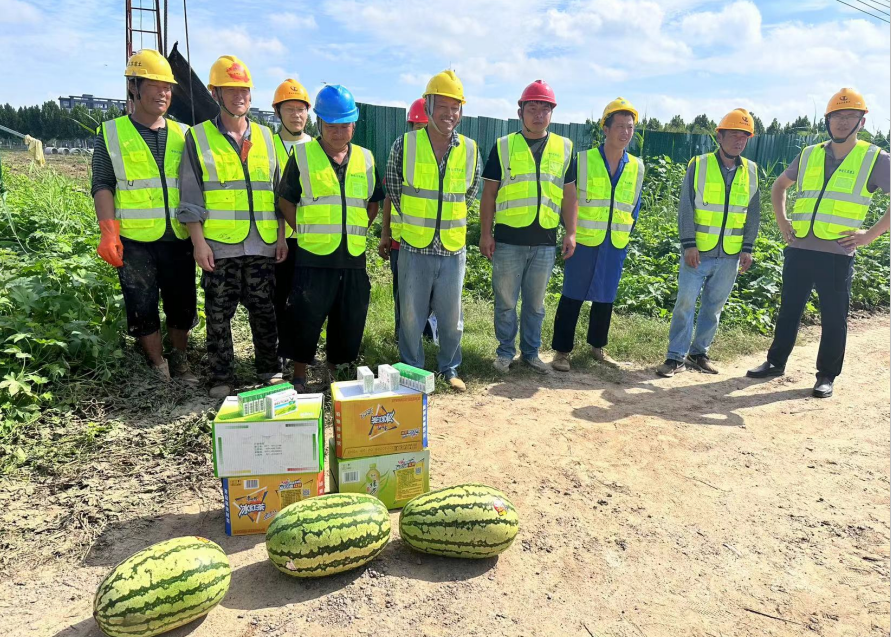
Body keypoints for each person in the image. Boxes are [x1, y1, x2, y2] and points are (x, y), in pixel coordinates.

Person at [748, 89, 890, 398]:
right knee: (789, 310)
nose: (842, 122)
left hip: (837, 254)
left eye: (850, 116)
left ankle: (826, 375)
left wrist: (869, 235)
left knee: (834, 317)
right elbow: (779, 186)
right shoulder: (810, 153)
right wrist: (783, 222)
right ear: (827, 120)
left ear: (862, 122)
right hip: (799, 249)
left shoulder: (874, 158)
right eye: (836, 116)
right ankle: (775, 362)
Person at [177, 55, 288, 398]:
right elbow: (191, 195)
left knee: (264, 311)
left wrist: (281, 237)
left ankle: (269, 369)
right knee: (218, 315)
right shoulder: (198, 137)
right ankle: (221, 377)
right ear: (216, 93)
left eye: (244, 90)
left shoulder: (267, 137)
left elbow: (278, 193)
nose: (240, 96)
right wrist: (199, 243)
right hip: (219, 246)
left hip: (262, 243)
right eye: (231, 90)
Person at [92, 49, 198, 384]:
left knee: (182, 304)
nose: (163, 93)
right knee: (141, 304)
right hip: (134, 239)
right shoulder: (111, 132)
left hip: (178, 235)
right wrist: (108, 232)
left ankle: (180, 360)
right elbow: (103, 184)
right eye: (154, 85)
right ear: (134, 86)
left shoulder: (184, 133)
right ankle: (157, 365)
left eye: (167, 87)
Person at [276, 85, 384, 393]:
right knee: (305, 315)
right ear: (320, 123)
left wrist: (355, 228)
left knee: (348, 316)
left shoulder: (365, 158)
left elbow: (373, 203)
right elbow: (286, 201)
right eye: (331, 125)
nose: (338, 132)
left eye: (344, 125)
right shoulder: (302, 156)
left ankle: (334, 373)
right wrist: (306, 229)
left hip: (352, 255)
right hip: (313, 255)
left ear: (354, 125)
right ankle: (299, 374)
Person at [385, 70, 482, 392]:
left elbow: (470, 193)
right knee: (411, 316)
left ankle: (449, 368)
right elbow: (394, 189)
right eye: (442, 106)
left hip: (452, 248)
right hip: (415, 245)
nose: (449, 114)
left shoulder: (470, 149)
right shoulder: (405, 145)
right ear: (428, 106)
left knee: (452, 317)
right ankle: (412, 369)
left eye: (455, 108)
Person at [479, 80, 577, 374]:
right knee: (506, 302)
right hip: (508, 240)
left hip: (545, 240)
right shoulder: (503, 146)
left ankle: (531, 354)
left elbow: (569, 195)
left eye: (544, 109)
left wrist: (571, 232)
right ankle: (505, 353)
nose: (538, 114)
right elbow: (489, 194)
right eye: (532, 108)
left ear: (552, 113)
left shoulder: (564, 147)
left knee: (535, 305)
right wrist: (485, 234)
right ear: (520, 112)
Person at [655, 108, 760, 377]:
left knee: (713, 308)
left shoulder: (751, 171)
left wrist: (748, 247)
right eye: (734, 135)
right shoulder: (699, 165)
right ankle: (675, 357)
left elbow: (753, 213)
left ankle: (698, 353)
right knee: (685, 304)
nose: (739, 141)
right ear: (720, 137)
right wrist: (688, 244)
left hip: (730, 255)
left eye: (744, 136)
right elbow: (686, 207)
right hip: (698, 252)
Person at [551, 98, 644, 372]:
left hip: (615, 241)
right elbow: (567, 199)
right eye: (620, 126)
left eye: (630, 127)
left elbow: (635, 205)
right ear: (605, 128)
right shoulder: (583, 160)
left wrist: (624, 232)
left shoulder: (637, 166)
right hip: (583, 240)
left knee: (606, 296)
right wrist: (570, 231)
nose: (625, 132)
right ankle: (561, 352)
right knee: (572, 295)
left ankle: (597, 347)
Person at [378, 97, 437, 344]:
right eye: (418, 127)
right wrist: (384, 234)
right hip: (401, 241)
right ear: (410, 126)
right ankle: (401, 334)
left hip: (435, 241)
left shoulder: (441, 157)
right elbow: (388, 197)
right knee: (403, 293)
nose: (421, 133)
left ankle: (428, 335)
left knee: (431, 292)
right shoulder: (402, 152)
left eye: (426, 127)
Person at [270, 79, 313, 366]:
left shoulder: (316, 147)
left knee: (305, 298)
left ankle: (301, 352)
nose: (296, 115)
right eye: (289, 109)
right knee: (278, 296)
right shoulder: (267, 144)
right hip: (277, 238)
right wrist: (280, 235)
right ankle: (279, 351)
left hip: (310, 236)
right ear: (277, 112)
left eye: (301, 109)